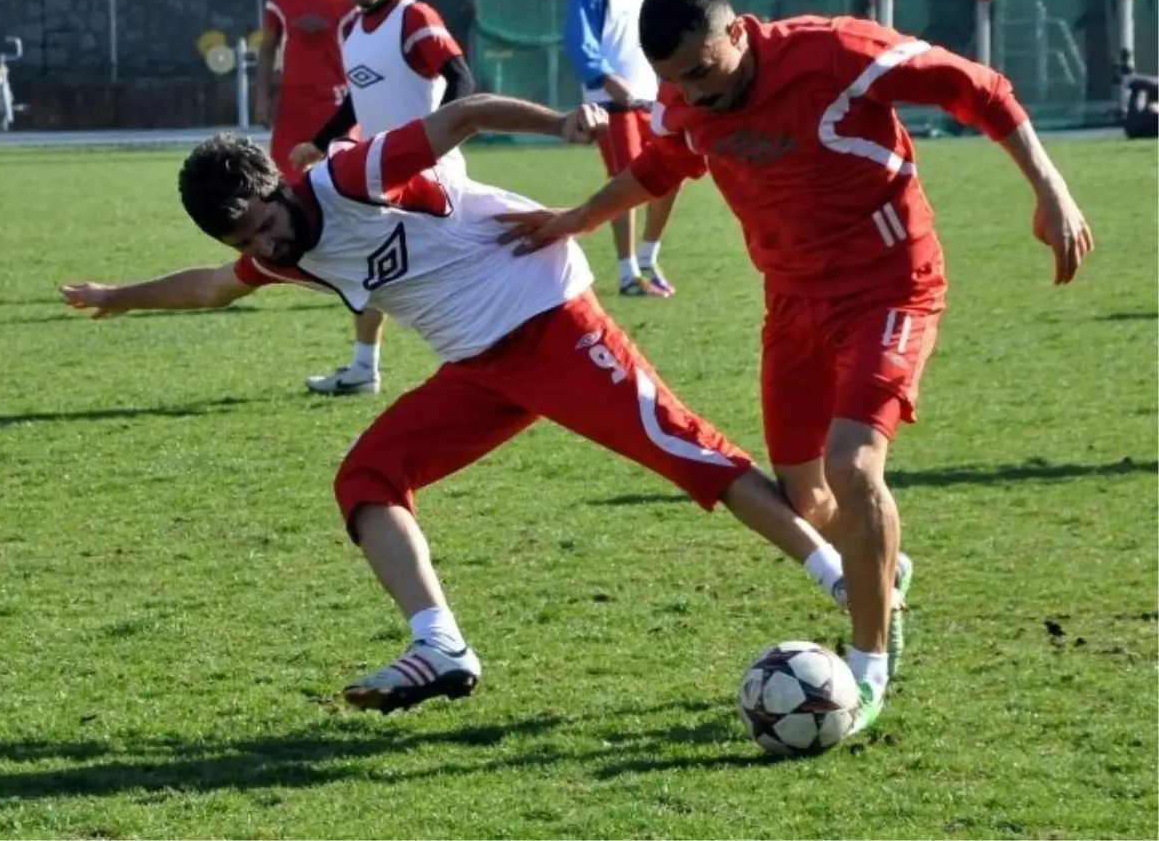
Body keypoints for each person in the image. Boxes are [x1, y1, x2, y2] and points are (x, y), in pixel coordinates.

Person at [60, 93, 853, 718]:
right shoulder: (286, 256)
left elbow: (464, 115)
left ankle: (850, 580)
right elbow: (209, 287)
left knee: (687, 453)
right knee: (367, 478)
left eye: (263, 223)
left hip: (547, 318)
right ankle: (439, 646)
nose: (264, 246)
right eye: (247, 241)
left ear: (277, 187)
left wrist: (560, 125)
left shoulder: (349, 178)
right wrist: (118, 297)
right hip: (479, 369)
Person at [499, 0, 1095, 732]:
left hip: (890, 286)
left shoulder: (836, 53)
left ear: (739, 34)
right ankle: (886, 572)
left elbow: (978, 89)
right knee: (806, 499)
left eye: (703, 73)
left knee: (854, 467)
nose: (692, 94)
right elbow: (660, 164)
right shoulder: (685, 100)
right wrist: (577, 218)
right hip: (791, 304)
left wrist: (1051, 189)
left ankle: (868, 667)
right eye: (676, 81)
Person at [289, 0, 476, 397]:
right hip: (377, 173)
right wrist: (318, 142)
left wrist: (434, 142)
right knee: (366, 265)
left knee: (447, 269)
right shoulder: (350, 28)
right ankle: (364, 368)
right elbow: (359, 100)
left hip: (429, 173)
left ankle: (478, 359)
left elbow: (461, 79)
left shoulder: (413, 17)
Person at [563, 0, 679, 298]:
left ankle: (648, 257)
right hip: (610, 102)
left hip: (649, 96)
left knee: (669, 174)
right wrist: (606, 79)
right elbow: (579, 37)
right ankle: (628, 275)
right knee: (627, 181)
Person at [254, 0, 354, 180]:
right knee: (283, 185)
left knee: (343, 182)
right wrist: (262, 97)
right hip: (292, 108)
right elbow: (267, 49)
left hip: (336, 106)